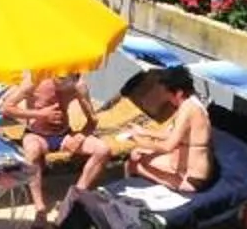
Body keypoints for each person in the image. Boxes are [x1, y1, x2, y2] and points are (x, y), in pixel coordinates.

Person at [73, 68, 215, 199]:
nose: (168, 101)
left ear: (178, 93)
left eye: (169, 96)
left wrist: (138, 140)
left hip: (189, 178)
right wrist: (143, 131)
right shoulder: (193, 104)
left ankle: (125, 196)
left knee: (133, 163)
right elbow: (174, 136)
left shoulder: (187, 109)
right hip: (186, 168)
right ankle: (133, 186)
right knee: (138, 154)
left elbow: (168, 146)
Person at [0, 70, 87, 228]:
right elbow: (5, 108)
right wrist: (41, 114)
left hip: (64, 133)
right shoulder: (35, 79)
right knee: (32, 152)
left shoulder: (76, 81)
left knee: (102, 150)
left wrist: (82, 135)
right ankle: (40, 209)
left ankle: (75, 197)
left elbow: (93, 118)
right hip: (36, 133)